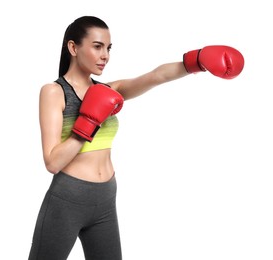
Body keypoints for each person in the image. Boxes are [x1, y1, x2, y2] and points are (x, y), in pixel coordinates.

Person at [28, 15, 244, 260]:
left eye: (108, 48)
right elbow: (52, 162)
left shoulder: (108, 90)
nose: (105, 55)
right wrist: (88, 124)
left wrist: (194, 62)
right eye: (97, 46)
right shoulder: (54, 92)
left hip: (105, 198)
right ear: (73, 47)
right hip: (68, 199)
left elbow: (155, 76)